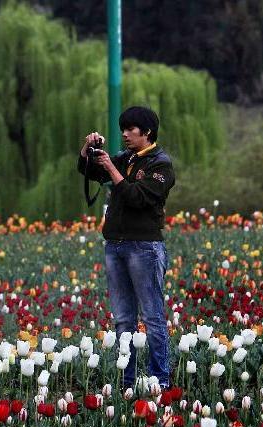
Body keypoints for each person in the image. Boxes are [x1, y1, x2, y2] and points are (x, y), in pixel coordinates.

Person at [77, 106, 175, 390]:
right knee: (122, 320)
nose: (124, 134)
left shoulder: (160, 164)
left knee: (153, 318)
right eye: (123, 129)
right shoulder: (126, 158)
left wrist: (110, 167)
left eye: (130, 129)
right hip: (116, 246)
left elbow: (138, 197)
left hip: (143, 248)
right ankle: (127, 382)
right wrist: (88, 150)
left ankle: (160, 382)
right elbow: (89, 172)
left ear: (147, 132)